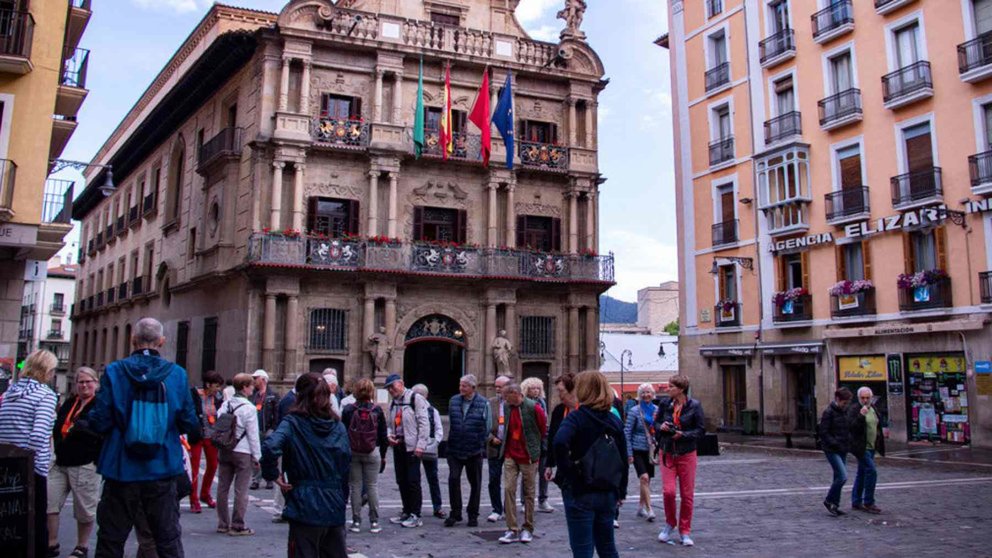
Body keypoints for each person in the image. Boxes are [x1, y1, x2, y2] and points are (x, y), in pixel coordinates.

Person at [83, 318, 201, 558]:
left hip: (120, 468)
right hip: (163, 467)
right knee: (167, 539)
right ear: (162, 341)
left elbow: (101, 419)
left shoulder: (115, 371)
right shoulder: (177, 375)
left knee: (110, 540)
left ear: (132, 339)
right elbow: (190, 423)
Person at [262, 372, 351, 558]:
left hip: (304, 502)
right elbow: (345, 463)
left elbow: (270, 446)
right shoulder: (338, 426)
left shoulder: (292, 422)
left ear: (300, 395)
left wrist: (273, 475)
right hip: (334, 503)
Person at [552, 371, 627, 558]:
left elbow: (559, 442)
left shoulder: (576, 418)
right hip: (607, 490)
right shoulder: (614, 420)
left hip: (581, 490)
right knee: (608, 547)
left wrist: (570, 475)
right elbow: (623, 459)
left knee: (583, 550)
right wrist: (620, 491)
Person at [0, 349, 59, 557]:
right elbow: (38, 434)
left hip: (6, 465)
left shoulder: (9, 394)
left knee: (10, 520)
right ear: (47, 370)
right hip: (32, 467)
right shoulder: (45, 396)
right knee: (35, 522)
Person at [47, 367, 103, 558]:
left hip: (84, 461)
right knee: (50, 502)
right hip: (61, 459)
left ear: (96, 383)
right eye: (81, 382)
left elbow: (100, 432)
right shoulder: (71, 402)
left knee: (84, 508)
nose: (84, 385)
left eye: (88, 381)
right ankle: (52, 542)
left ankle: (82, 546)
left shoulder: (100, 404)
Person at [655, 374, 705, 547]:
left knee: (687, 494)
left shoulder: (694, 406)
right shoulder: (664, 404)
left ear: (681, 389)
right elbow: (655, 424)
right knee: (668, 491)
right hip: (667, 452)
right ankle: (670, 523)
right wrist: (660, 427)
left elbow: (700, 430)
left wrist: (683, 434)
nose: (668, 389)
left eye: (671, 387)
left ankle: (685, 531)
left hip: (686, 454)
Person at [496, 383, 547, 544]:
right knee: (508, 488)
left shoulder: (534, 407)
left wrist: (537, 449)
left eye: (507, 396)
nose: (505, 400)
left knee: (529, 492)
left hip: (529, 456)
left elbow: (543, 429)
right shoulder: (506, 407)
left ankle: (527, 527)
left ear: (516, 394)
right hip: (511, 454)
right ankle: (511, 528)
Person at [216, 373, 262, 536]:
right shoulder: (249, 408)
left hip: (225, 448)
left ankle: (222, 523)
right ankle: (237, 525)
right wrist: (257, 456)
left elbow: (219, 423)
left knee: (223, 487)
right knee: (241, 489)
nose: (252, 388)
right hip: (242, 450)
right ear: (244, 387)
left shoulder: (226, 404)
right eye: (250, 385)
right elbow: (253, 434)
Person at [341, 378, 388, 534]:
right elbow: (383, 435)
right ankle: (374, 522)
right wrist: (383, 455)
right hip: (371, 451)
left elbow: (342, 433)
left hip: (353, 452)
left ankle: (356, 522)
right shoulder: (377, 410)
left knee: (355, 486)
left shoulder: (348, 409)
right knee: (372, 486)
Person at [444, 374, 490, 528]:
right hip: (455, 448)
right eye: (460, 385)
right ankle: (455, 512)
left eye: (464, 386)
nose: (461, 388)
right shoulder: (454, 401)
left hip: (474, 450)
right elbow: (453, 421)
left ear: (473, 388)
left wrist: (479, 441)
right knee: (453, 479)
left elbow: (488, 426)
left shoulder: (484, 403)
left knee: (475, 483)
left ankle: (473, 514)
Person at [385, 374, 429, 528]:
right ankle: (406, 510)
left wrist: (420, 446)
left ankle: (415, 514)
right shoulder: (393, 403)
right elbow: (390, 423)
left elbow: (424, 423)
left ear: (401, 383)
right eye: (388, 388)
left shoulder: (415, 399)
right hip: (398, 445)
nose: (390, 390)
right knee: (401, 480)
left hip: (412, 446)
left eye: (392, 386)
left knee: (413, 481)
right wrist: (389, 435)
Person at [189, 370, 225, 513]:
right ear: (208, 384)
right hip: (197, 435)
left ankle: (205, 494)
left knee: (213, 465)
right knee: (194, 468)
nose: (218, 389)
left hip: (211, 436)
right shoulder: (194, 394)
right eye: (216, 386)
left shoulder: (218, 397)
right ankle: (193, 499)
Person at [411, 383, 446, 519]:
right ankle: (413, 507)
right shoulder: (411, 409)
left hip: (429, 449)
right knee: (414, 480)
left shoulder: (432, 410)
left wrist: (434, 443)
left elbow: (439, 430)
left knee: (432, 478)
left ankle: (437, 506)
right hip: (414, 448)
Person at [624, 383, 658, 522]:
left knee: (647, 480)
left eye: (648, 392)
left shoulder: (657, 410)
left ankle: (640, 507)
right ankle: (650, 509)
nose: (646, 395)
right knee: (643, 477)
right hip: (637, 449)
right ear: (639, 395)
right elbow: (627, 432)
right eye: (643, 393)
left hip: (650, 449)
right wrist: (629, 453)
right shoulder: (634, 411)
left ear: (652, 394)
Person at [520, 377, 554, 513]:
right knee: (528, 474)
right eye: (533, 388)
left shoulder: (542, 403)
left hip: (542, 441)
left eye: (538, 388)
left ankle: (543, 499)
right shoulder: (523, 403)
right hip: (529, 441)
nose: (535, 391)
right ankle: (524, 501)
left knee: (543, 472)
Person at [850, 386, 886, 514]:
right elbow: (852, 427)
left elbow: (877, 425)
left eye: (867, 398)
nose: (865, 400)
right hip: (861, 447)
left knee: (862, 473)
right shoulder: (855, 409)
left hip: (871, 446)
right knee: (871, 471)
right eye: (862, 398)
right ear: (858, 398)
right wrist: (861, 416)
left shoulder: (873, 409)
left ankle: (856, 501)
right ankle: (869, 502)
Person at [819, 387, 854, 516]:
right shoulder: (828, 412)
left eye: (847, 403)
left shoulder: (844, 411)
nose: (846, 405)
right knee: (843, 476)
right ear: (838, 399)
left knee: (838, 477)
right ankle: (829, 500)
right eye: (845, 402)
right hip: (832, 449)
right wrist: (835, 443)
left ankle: (835, 504)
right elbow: (823, 432)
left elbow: (847, 428)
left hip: (843, 448)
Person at [486, 375, 511, 522]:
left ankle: (509, 509)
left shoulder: (514, 403)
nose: (497, 389)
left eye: (499, 387)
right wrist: (490, 438)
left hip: (510, 447)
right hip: (494, 446)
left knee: (510, 481)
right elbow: (483, 424)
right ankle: (496, 509)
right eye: (496, 386)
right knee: (493, 479)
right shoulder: (490, 403)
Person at [250, 369, 279, 490]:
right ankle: (256, 479)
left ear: (263, 379)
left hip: (267, 429)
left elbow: (277, 414)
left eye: (256, 378)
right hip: (256, 429)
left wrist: (273, 428)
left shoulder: (273, 396)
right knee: (255, 456)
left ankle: (269, 479)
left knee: (268, 455)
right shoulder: (254, 396)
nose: (254, 381)